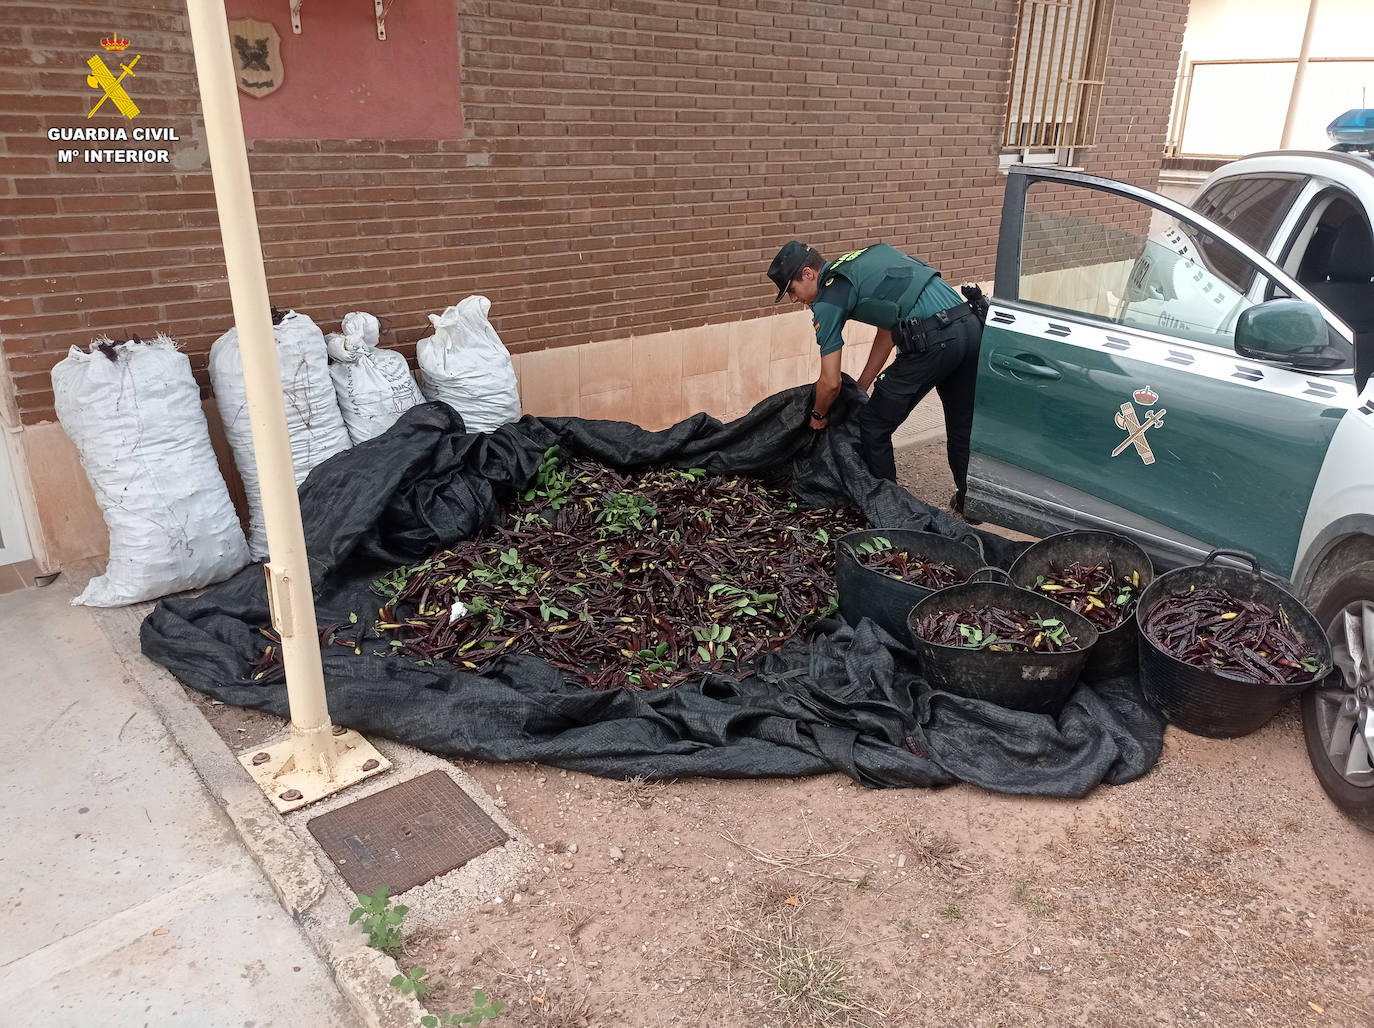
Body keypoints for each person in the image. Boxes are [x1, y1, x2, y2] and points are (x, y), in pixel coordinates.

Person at [766, 240, 985, 517]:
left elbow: (830, 381)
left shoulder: (828, 298)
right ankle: (971, 505)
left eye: (792, 290)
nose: (794, 299)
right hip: (971, 326)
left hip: (933, 342)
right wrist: (862, 386)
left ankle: (890, 511)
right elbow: (890, 325)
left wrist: (819, 415)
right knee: (962, 423)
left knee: (872, 425)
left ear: (808, 274)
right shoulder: (862, 259)